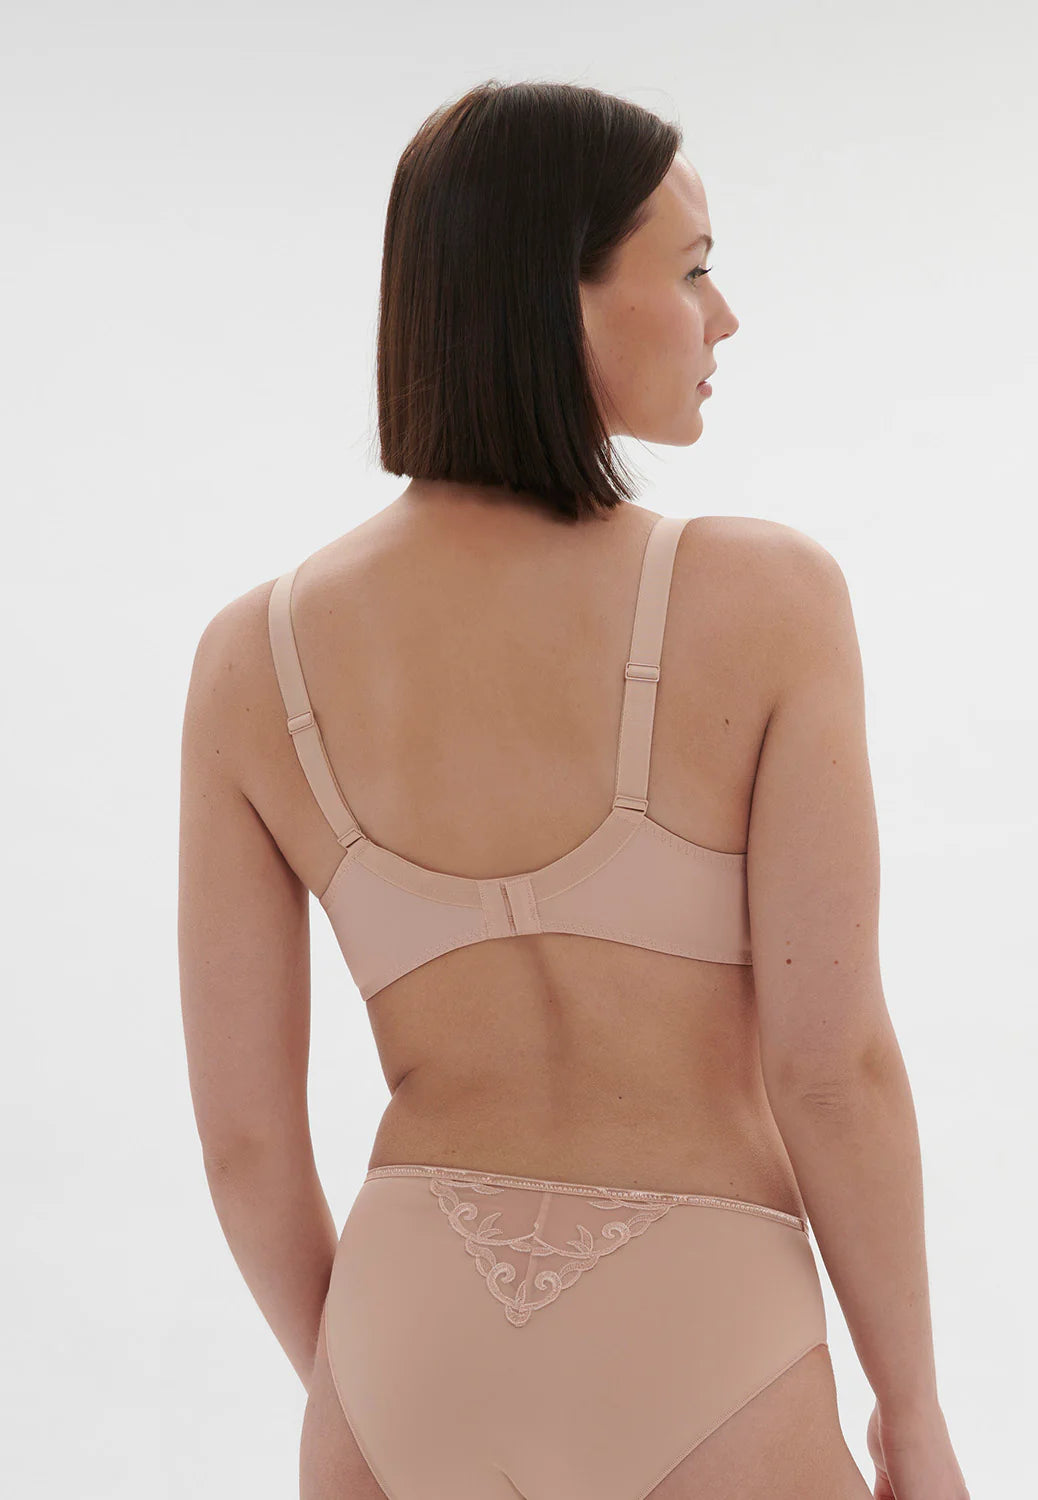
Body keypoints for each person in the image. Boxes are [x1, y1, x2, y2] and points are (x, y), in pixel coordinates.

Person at [179, 79, 970, 1500]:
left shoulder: (254, 655)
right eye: (693, 269)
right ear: (563, 297)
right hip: (702, 1316)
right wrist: (909, 1408)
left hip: (404, 1324)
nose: (726, 318)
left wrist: (369, 1377)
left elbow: (243, 1140)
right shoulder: (764, 597)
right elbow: (829, 1065)